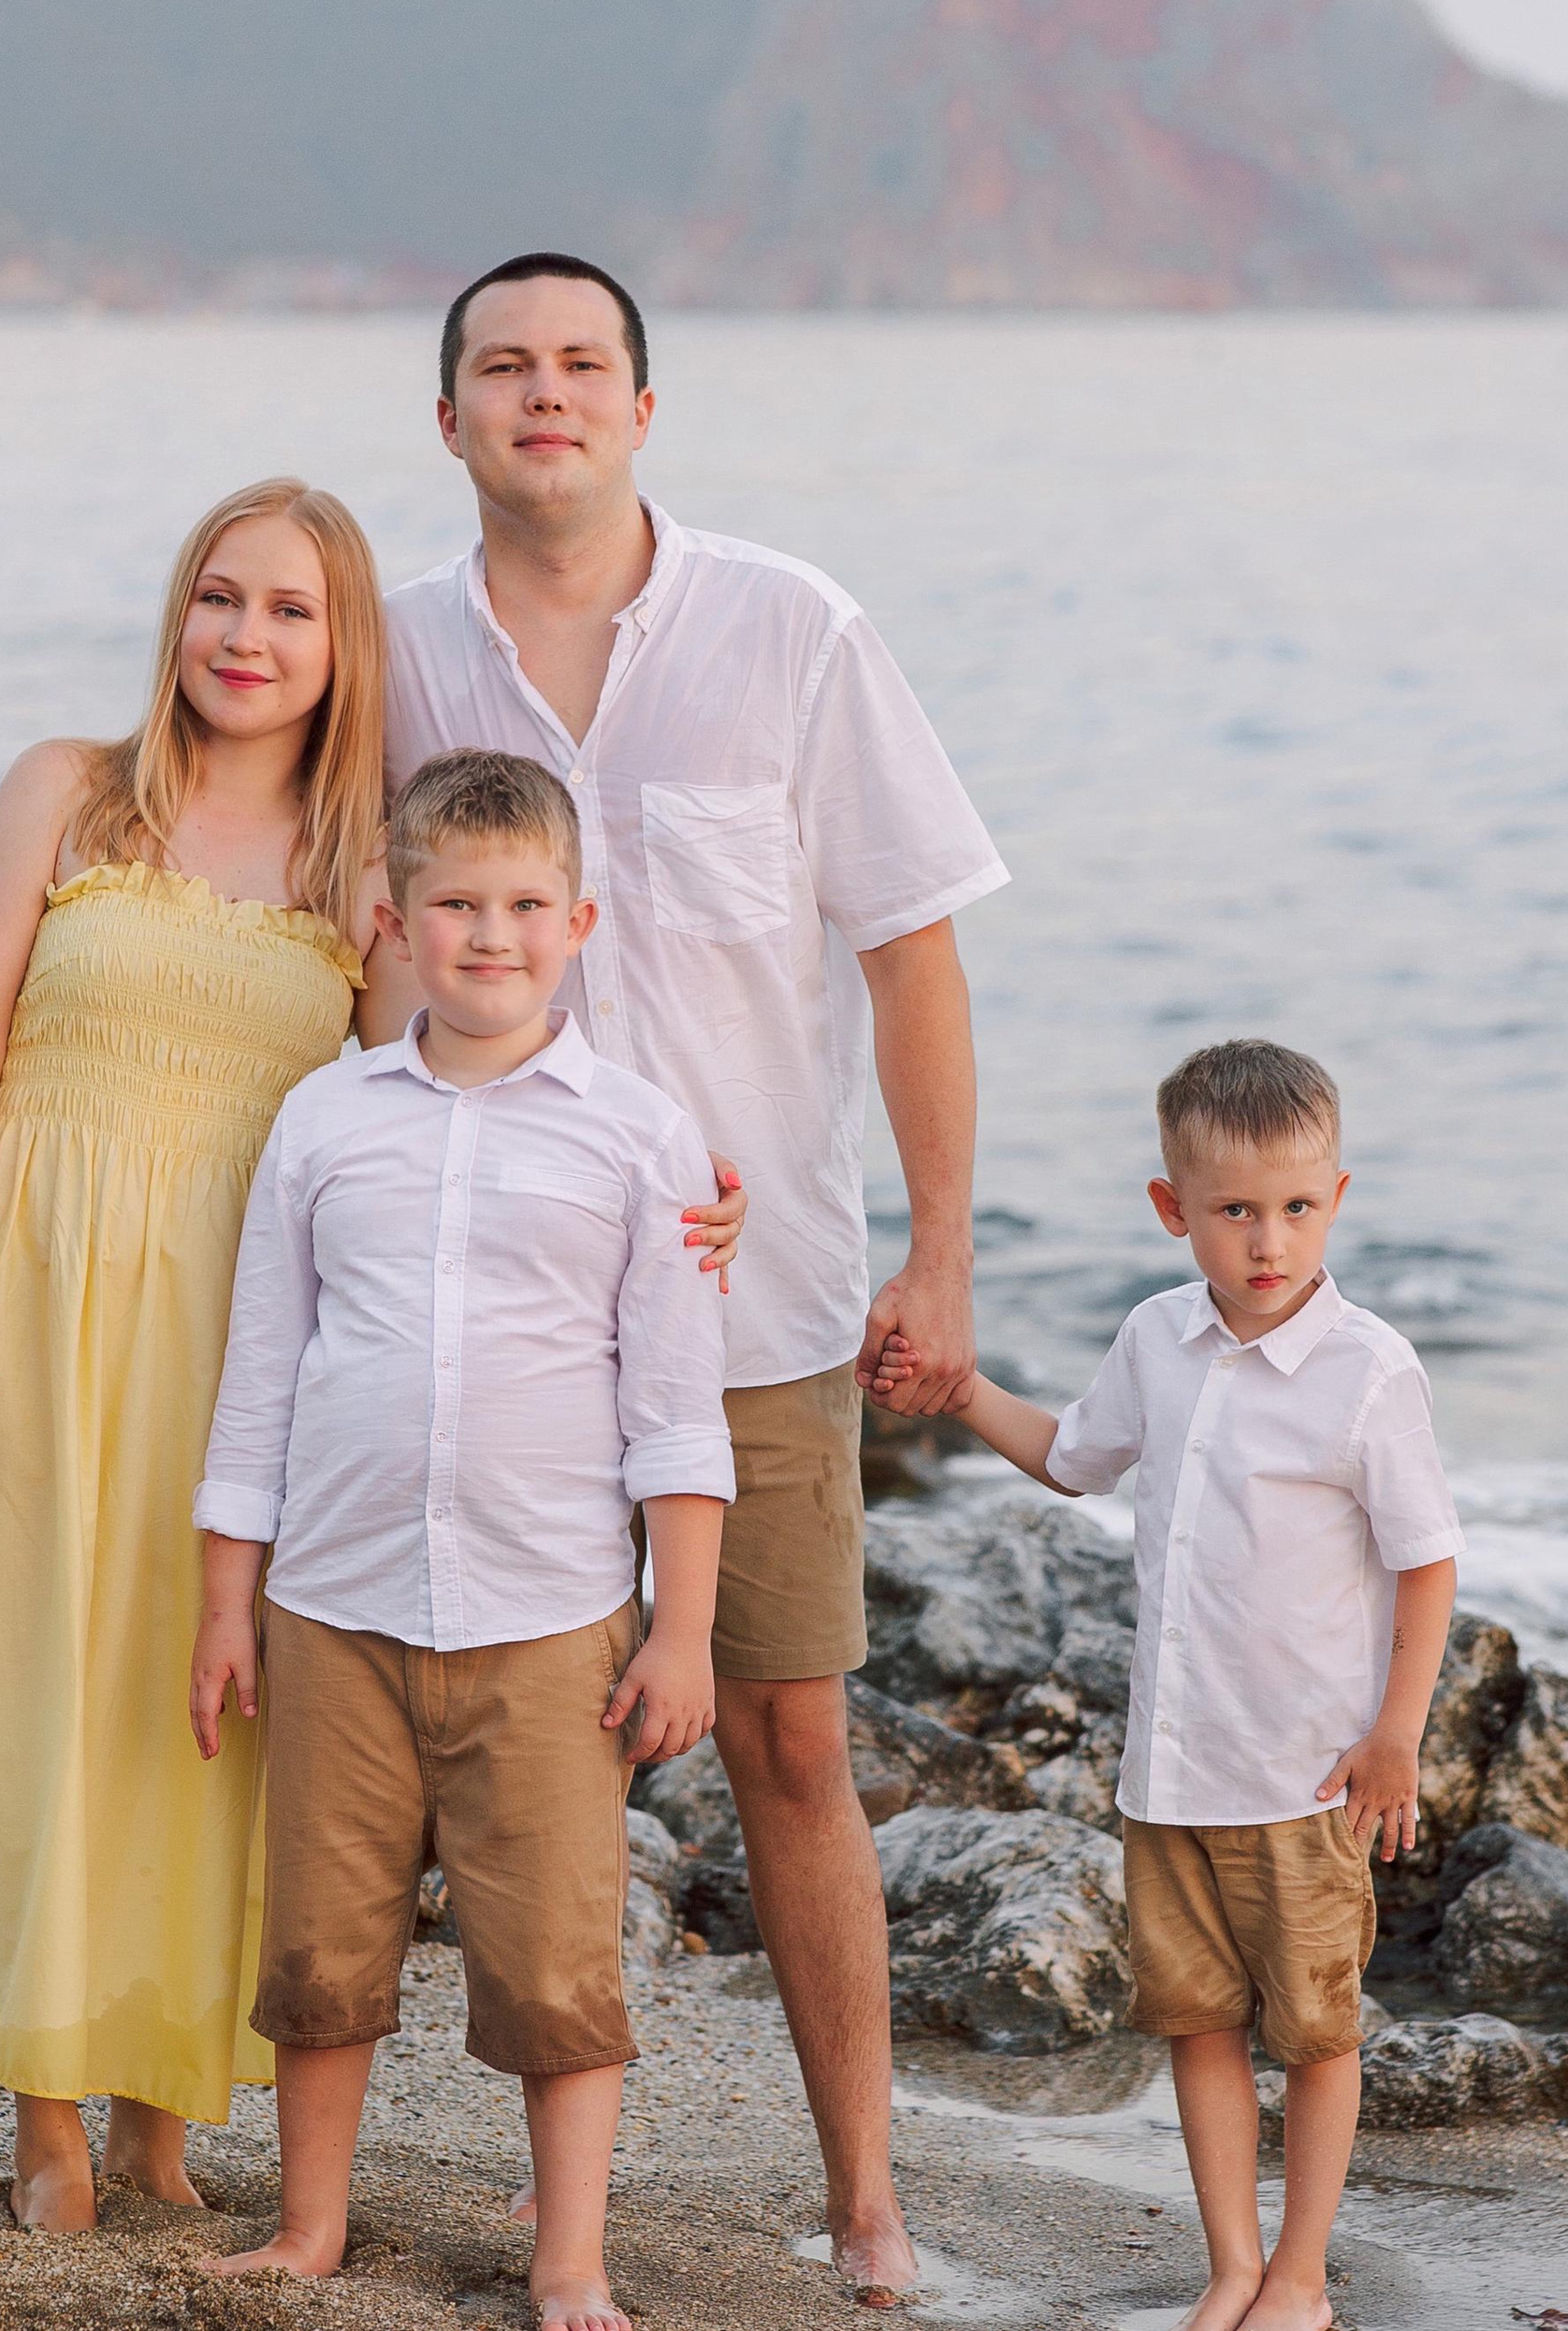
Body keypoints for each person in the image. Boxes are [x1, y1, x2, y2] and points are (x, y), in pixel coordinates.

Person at [379, 251, 1006, 2300]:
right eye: (502, 366)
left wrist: (938, 1248)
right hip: (484, 1318)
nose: (541, 393)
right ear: (449, 415)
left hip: (758, 1310)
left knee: (791, 1743)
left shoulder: (790, 627)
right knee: (448, 1740)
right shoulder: (388, 655)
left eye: (579, 364)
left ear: (643, 406)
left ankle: (865, 2195)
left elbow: (910, 950)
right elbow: (330, 963)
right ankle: (444, 2193)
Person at [0, 479, 395, 2229]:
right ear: (177, 614)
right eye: (220, 599)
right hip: (22, 1307)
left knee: (192, 1711)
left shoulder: (369, 863)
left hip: (237, 1335)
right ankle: (37, 2108)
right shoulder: (64, 791)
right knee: (19, 1681)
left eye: (291, 612)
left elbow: (420, 1120)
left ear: (345, 653)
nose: (247, 640)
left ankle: (162, 2115)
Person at [188, 750, 732, 2331]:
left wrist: (681, 1628)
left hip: (553, 1618)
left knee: (559, 1965)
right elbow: (260, 1380)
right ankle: (307, 2227)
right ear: (393, 920)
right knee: (321, 1943)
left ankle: (568, 2260)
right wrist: (234, 1606)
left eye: (519, 909)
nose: (487, 938)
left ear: (580, 921)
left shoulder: (641, 1138)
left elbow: (677, 1416)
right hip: (335, 1607)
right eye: (453, 907)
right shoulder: (323, 1121)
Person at [887, 1041, 1461, 2331]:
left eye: (1298, 1207)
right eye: (1236, 1210)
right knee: (1196, 2024)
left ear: (1338, 1196)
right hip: (1172, 1773)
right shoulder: (1158, 1337)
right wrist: (962, 1390)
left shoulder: (1370, 1373)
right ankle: (1232, 2271)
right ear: (1174, 1208)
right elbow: (1077, 1460)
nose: (1270, 1241)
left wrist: (1396, 1732)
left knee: (1314, 2034)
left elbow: (1427, 1563)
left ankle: (1302, 2278)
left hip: (1305, 1775)